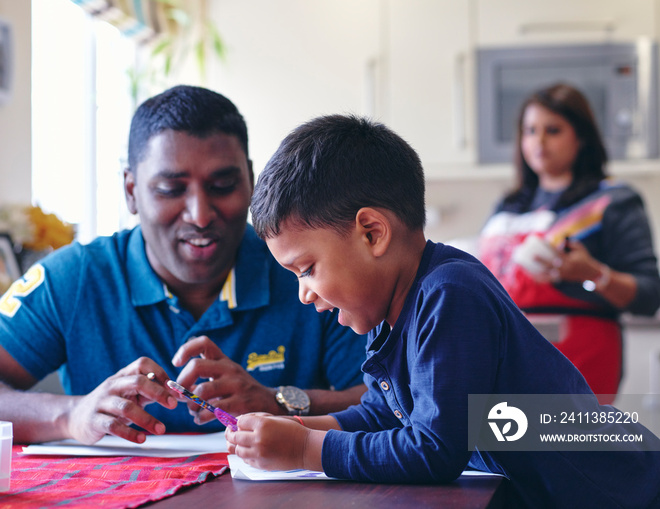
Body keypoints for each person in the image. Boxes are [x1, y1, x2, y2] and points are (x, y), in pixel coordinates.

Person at [225, 114, 660, 508]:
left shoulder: (449, 294)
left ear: (372, 233)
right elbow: (383, 413)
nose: (304, 294)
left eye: (307, 269)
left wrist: (305, 450)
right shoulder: (395, 314)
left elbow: (433, 449)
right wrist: (298, 429)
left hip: (627, 493)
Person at [0, 85, 366, 445]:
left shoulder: (305, 268)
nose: (200, 214)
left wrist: (278, 400)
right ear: (131, 191)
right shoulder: (75, 277)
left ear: (251, 181)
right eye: (171, 189)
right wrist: (71, 414)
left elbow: (392, 402)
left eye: (222, 186)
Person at [478, 83, 660, 400]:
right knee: (500, 449)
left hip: (578, 362)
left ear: (581, 137)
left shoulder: (613, 201)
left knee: (567, 449)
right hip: (503, 361)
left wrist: (594, 275)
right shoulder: (506, 207)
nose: (539, 141)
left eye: (553, 130)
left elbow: (649, 295)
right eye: (530, 131)